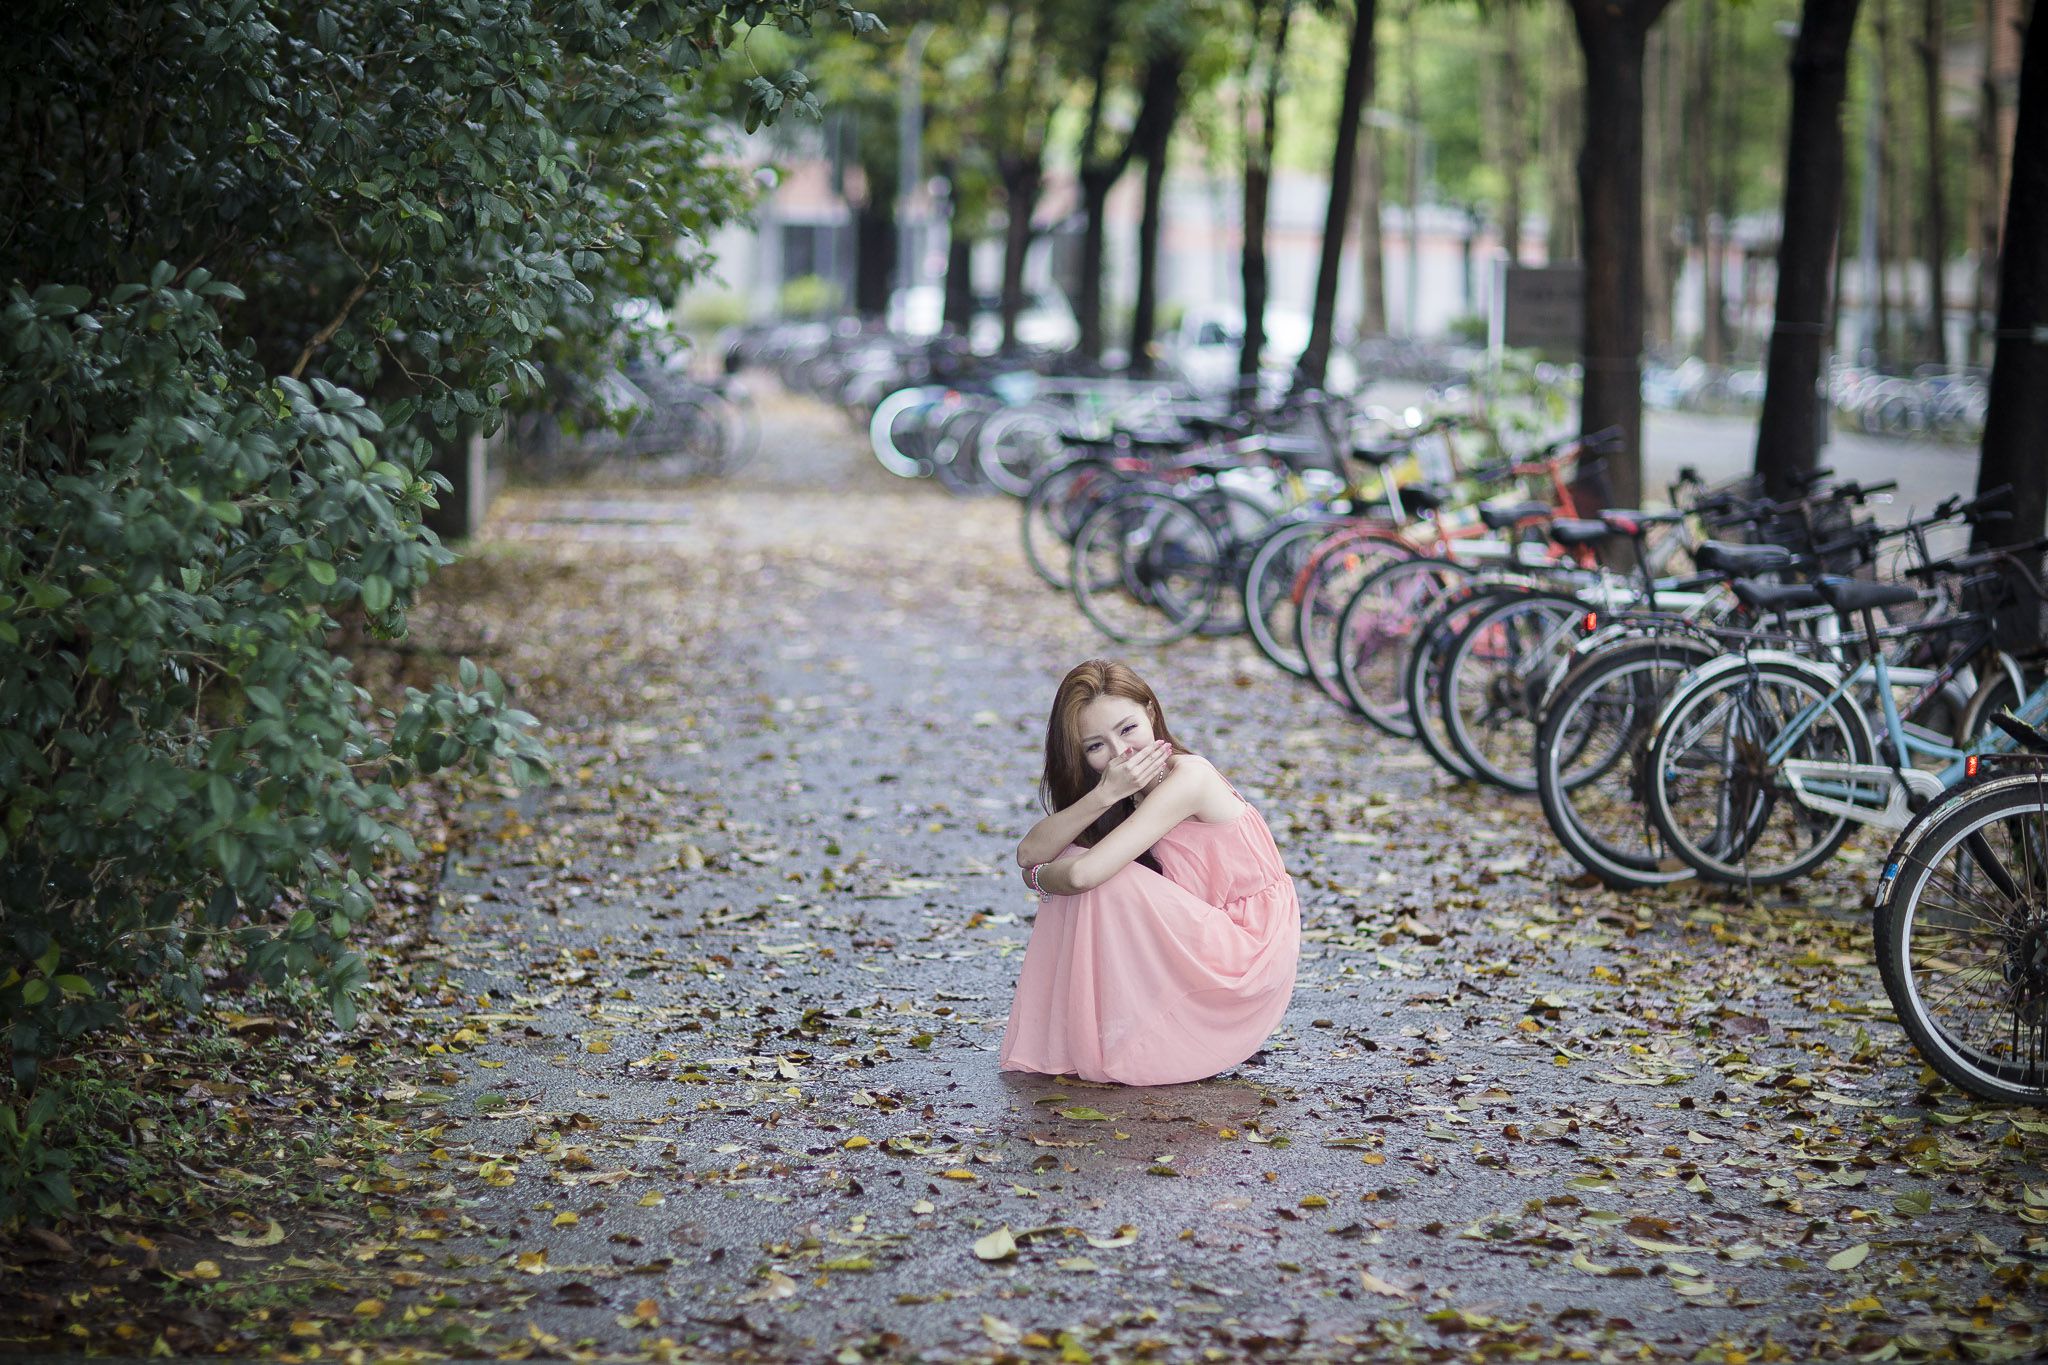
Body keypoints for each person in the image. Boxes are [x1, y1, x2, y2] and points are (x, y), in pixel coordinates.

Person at [998, 659, 1301, 1086]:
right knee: (1075, 853)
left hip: (1246, 949)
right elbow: (1029, 850)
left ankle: (1102, 1038)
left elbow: (1081, 875)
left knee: (1101, 876)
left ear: (1151, 714)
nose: (1122, 753)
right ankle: (1088, 1032)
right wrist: (1105, 794)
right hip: (1203, 929)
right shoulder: (1123, 789)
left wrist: (1039, 879)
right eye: (1096, 746)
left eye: (1128, 730)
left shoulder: (1189, 777)